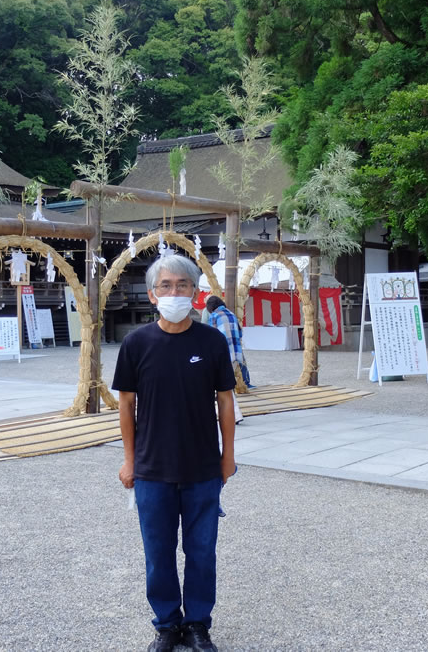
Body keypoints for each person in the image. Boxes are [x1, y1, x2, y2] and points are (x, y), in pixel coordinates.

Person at [113, 255, 236, 652]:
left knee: (201, 552)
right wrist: (130, 461)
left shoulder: (211, 342)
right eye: (165, 286)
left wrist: (227, 455)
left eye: (183, 285)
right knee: (158, 554)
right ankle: (166, 625)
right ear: (152, 295)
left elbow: (225, 402)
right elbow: (126, 405)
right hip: (152, 469)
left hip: (203, 467)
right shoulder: (136, 344)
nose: (174, 292)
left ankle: (198, 624)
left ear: (196, 293)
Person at [205, 295, 255, 389]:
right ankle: (246, 383)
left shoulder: (214, 315)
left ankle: (225, 387)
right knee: (240, 364)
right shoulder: (231, 314)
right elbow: (240, 332)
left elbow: (212, 334)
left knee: (222, 368)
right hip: (236, 346)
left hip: (223, 346)